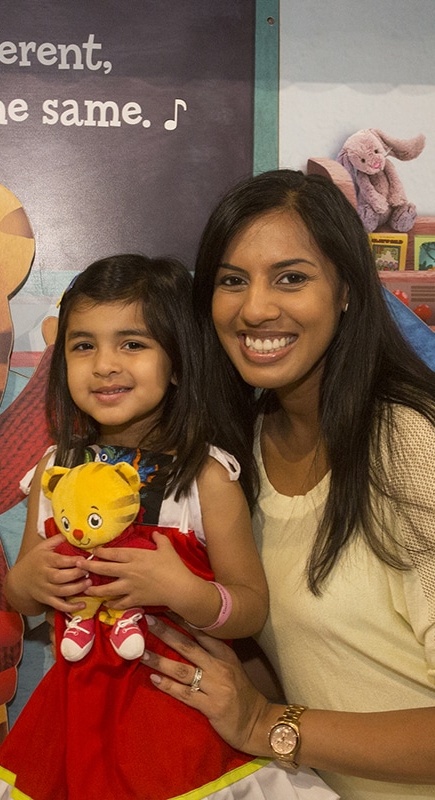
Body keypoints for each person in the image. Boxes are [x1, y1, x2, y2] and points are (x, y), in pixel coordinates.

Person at [0, 254, 337, 799]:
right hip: (74, 722)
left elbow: (250, 606)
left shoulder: (205, 476)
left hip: (181, 720)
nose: (105, 364)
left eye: (133, 344)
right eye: (83, 345)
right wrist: (30, 584)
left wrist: (186, 592)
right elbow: (20, 594)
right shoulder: (54, 470)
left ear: (178, 363)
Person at [144, 169, 435, 799]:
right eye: (231, 281)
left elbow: (269, 715)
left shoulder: (410, 444)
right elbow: (305, 658)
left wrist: (262, 722)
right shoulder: (240, 450)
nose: (254, 308)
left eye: (291, 277)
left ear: (348, 290)